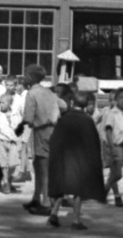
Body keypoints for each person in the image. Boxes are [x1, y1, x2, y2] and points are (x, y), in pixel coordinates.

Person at [45, 83, 106, 230]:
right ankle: (76, 219)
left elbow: (55, 139)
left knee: (61, 186)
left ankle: (54, 214)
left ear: (72, 102)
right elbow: (93, 143)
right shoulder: (87, 120)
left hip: (64, 159)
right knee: (78, 190)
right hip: (80, 160)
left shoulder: (64, 118)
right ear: (86, 104)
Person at [22, 64, 62, 215]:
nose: (24, 77)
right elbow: (63, 106)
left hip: (41, 132)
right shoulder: (49, 92)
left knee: (43, 168)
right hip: (54, 132)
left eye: (26, 75)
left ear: (32, 77)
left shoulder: (31, 93)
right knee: (38, 165)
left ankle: (46, 202)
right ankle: (36, 197)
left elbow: (28, 118)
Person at [97, 88, 123, 211]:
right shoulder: (109, 113)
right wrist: (111, 146)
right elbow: (107, 130)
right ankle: (108, 190)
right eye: (120, 98)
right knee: (116, 174)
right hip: (114, 145)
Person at [0, 91, 24, 194]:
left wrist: (19, 142)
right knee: (3, 163)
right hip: (0, 140)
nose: (1, 104)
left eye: (3, 102)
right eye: (0, 102)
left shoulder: (16, 115)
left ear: (10, 103)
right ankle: (5, 182)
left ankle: (8, 180)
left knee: (13, 163)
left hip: (13, 141)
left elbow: (19, 130)